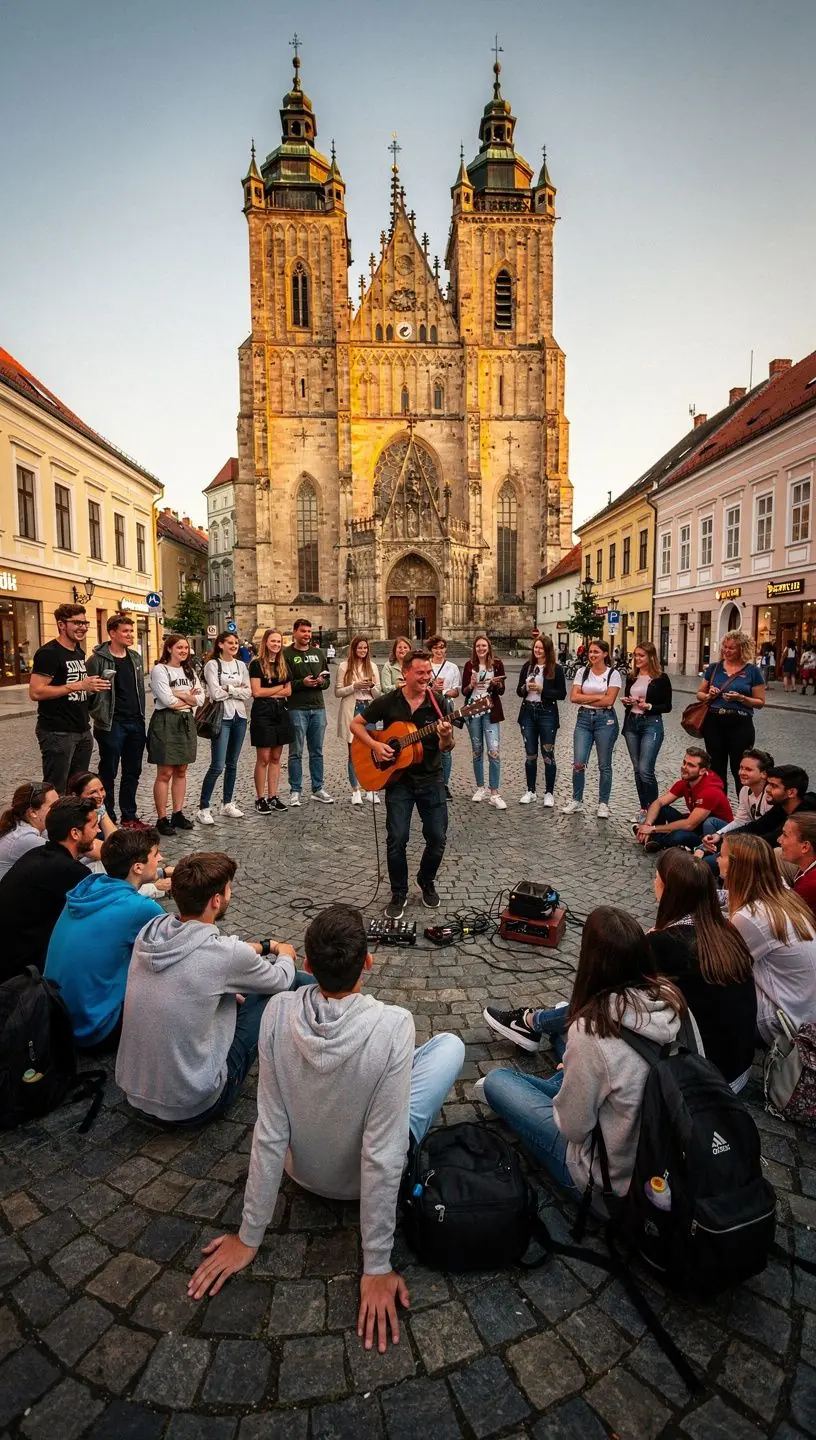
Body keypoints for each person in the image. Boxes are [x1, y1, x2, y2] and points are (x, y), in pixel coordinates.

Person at [187, 903, 465, 1351]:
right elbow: (382, 1148)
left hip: (303, 1169)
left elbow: (270, 1130)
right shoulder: (395, 1024)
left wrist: (248, 1234)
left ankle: (383, 1077)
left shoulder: (276, 1012)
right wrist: (376, 1264)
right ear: (368, 963)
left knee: (393, 1075)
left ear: (309, 965)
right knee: (449, 1045)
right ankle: (388, 1076)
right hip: (359, 1175)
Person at [480, 907, 689, 1205]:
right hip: (659, 1146)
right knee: (567, 1040)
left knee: (498, 1081)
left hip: (607, 1177)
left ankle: (561, 1080)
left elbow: (573, 1128)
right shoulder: (672, 998)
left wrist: (574, 1078)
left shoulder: (591, 1029)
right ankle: (570, 1078)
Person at [115, 851, 306, 1125]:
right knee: (290, 983)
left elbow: (199, 967)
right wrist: (283, 951)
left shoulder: (151, 930)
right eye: (228, 890)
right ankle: (336, 1011)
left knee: (233, 992)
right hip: (193, 1104)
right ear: (216, 900)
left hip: (134, 1093)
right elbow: (280, 979)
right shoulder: (226, 956)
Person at [351, 649, 454, 919]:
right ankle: (398, 892)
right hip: (398, 781)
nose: (425, 677)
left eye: (428, 672)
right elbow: (356, 724)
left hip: (431, 778)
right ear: (405, 673)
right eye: (420, 673)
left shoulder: (439, 704)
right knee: (397, 838)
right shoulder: (389, 701)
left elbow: (448, 746)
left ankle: (426, 879)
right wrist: (376, 745)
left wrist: (445, 736)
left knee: (438, 837)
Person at [44, 827, 164, 1053]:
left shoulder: (89, 886)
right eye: (155, 854)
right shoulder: (141, 908)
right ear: (137, 867)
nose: (160, 858)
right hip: (92, 1029)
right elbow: (182, 946)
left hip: (54, 1016)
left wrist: (161, 874)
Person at [647, 850, 757, 1091]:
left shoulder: (665, 943)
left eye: (655, 878)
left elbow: (626, 999)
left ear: (666, 889)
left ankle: (545, 1022)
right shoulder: (724, 931)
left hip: (702, 1081)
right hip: (738, 1070)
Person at [721, 833, 816, 1044]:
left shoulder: (752, 916)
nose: (717, 860)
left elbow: (722, 963)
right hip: (802, 1006)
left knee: (706, 985)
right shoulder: (779, 889)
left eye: (722, 855)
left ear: (735, 866)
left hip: (783, 1019)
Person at [0, 797, 99, 982]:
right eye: (94, 826)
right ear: (75, 833)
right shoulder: (70, 871)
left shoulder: (38, 853)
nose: (98, 830)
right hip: (22, 974)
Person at [28, 603, 110, 793]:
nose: (82, 627)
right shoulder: (49, 653)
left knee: (78, 787)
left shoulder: (78, 651)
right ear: (61, 624)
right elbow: (36, 692)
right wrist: (79, 685)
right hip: (57, 732)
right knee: (56, 788)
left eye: (85, 623)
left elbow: (75, 687)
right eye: (76, 623)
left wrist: (91, 687)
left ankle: (74, 821)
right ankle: (53, 822)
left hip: (82, 729)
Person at [85, 613, 148, 828]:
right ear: (112, 633)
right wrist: (97, 712)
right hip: (111, 723)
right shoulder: (97, 660)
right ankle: (107, 817)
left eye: (132, 631)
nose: (130, 635)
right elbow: (89, 691)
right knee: (109, 772)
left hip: (135, 722)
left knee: (133, 771)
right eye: (126, 631)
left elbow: (138, 689)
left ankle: (129, 815)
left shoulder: (135, 658)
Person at [696, 631, 765, 794]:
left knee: (741, 769)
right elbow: (699, 694)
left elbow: (760, 702)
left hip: (740, 723)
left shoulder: (752, 671)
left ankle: (745, 810)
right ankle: (719, 809)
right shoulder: (714, 668)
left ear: (742, 649)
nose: (726, 651)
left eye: (731, 648)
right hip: (714, 721)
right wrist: (709, 695)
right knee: (716, 767)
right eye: (725, 647)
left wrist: (741, 698)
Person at [148, 634, 204, 837]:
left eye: (186, 648)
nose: (183, 651)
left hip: (186, 721)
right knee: (165, 772)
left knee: (181, 770)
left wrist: (179, 694)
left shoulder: (189, 671)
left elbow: (201, 697)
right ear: (169, 648)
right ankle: (162, 818)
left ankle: (177, 813)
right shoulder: (159, 670)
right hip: (166, 721)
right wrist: (186, 697)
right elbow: (167, 701)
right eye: (179, 647)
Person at [196, 632, 252, 826]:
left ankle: (227, 803)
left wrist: (229, 689)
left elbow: (248, 693)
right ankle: (203, 808)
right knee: (218, 765)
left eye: (236, 642)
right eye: (230, 642)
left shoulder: (241, 665)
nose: (234, 645)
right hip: (221, 718)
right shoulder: (213, 665)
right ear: (220, 645)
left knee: (233, 764)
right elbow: (215, 693)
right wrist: (235, 689)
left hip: (240, 717)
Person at [562, 640, 622, 818]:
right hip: (584, 720)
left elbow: (609, 701)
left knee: (604, 765)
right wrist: (598, 696)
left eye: (596, 651)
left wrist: (585, 697)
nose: (592, 654)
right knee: (579, 763)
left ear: (605, 654)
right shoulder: (582, 671)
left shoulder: (613, 674)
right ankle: (577, 800)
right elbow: (573, 697)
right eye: (590, 652)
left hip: (606, 721)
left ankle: (603, 803)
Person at [704, 763, 816, 857]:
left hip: (788, 858)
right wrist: (722, 836)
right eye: (768, 784)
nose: (767, 789)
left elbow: (772, 838)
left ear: (791, 792)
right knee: (711, 826)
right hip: (765, 846)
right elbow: (758, 825)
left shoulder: (804, 817)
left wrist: (727, 843)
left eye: (774, 786)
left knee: (714, 861)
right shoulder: (782, 804)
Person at [634, 746, 732, 852]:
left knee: (679, 835)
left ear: (702, 771)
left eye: (691, 765)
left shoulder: (710, 791)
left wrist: (653, 829)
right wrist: (648, 824)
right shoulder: (686, 781)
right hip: (697, 825)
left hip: (715, 834)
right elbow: (659, 802)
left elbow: (689, 825)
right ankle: (653, 838)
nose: (684, 767)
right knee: (662, 809)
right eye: (684, 762)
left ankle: (656, 840)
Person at [282, 619, 334, 807]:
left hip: (318, 708)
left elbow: (327, 680)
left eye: (309, 632)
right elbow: (284, 683)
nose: (307, 635)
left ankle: (317, 788)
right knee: (296, 752)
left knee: (317, 751)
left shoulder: (318, 653)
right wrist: (301, 683)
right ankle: (295, 790)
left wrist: (322, 682)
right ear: (294, 632)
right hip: (297, 708)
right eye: (303, 631)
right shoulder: (286, 654)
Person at [621, 642, 673, 823]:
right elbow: (631, 699)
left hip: (651, 724)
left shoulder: (661, 678)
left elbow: (667, 706)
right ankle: (644, 809)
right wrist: (628, 701)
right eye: (635, 655)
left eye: (641, 655)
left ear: (651, 657)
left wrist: (649, 706)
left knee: (645, 770)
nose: (637, 659)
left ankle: (654, 811)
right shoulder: (631, 676)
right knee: (637, 770)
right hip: (632, 723)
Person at [516, 635, 566, 807]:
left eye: (540, 648)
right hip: (528, 712)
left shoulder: (556, 669)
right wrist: (525, 687)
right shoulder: (527, 666)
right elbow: (518, 691)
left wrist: (543, 689)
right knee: (530, 754)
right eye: (535, 648)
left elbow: (561, 694)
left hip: (547, 714)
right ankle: (530, 791)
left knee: (548, 754)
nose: (537, 651)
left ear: (547, 650)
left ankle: (549, 793)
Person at [249, 629, 292, 814]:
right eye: (273, 641)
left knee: (276, 758)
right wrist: (277, 689)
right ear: (265, 642)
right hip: (263, 713)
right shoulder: (256, 664)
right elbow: (256, 692)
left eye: (279, 641)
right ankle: (260, 798)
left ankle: (273, 796)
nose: (276, 644)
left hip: (280, 712)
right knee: (263, 758)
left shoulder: (283, 663)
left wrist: (275, 691)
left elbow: (289, 691)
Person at [462, 634, 507, 809]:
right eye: (478, 646)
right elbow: (464, 692)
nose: (481, 648)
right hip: (473, 710)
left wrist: (496, 684)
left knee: (494, 751)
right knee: (477, 750)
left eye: (484, 645)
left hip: (491, 711)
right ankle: (480, 787)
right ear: (474, 648)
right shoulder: (469, 666)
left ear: (488, 647)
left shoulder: (497, 664)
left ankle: (494, 792)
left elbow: (501, 691)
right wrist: (472, 685)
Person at [336, 635, 382, 806]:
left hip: (368, 710)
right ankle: (355, 790)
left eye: (365, 648)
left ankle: (371, 789)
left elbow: (378, 694)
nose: (362, 651)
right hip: (352, 710)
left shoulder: (373, 667)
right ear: (354, 649)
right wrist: (354, 686)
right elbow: (338, 692)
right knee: (353, 753)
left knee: (372, 752)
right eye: (359, 648)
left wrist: (371, 687)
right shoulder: (343, 666)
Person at [0, 781, 58, 881]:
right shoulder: (25, 837)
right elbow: (64, 859)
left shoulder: (35, 825)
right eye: (54, 807)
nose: (60, 810)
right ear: (33, 812)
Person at [427, 635, 460, 799]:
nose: (439, 650)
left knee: (446, 747)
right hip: (428, 708)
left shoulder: (452, 667)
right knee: (428, 745)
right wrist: (432, 689)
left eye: (441, 647)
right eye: (435, 648)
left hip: (446, 708)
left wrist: (443, 691)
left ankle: (444, 784)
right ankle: (430, 783)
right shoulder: (426, 666)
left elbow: (456, 691)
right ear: (431, 650)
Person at [779, 812, 816, 918]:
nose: (779, 840)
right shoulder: (807, 871)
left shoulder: (810, 885)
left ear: (805, 847)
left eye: (785, 835)